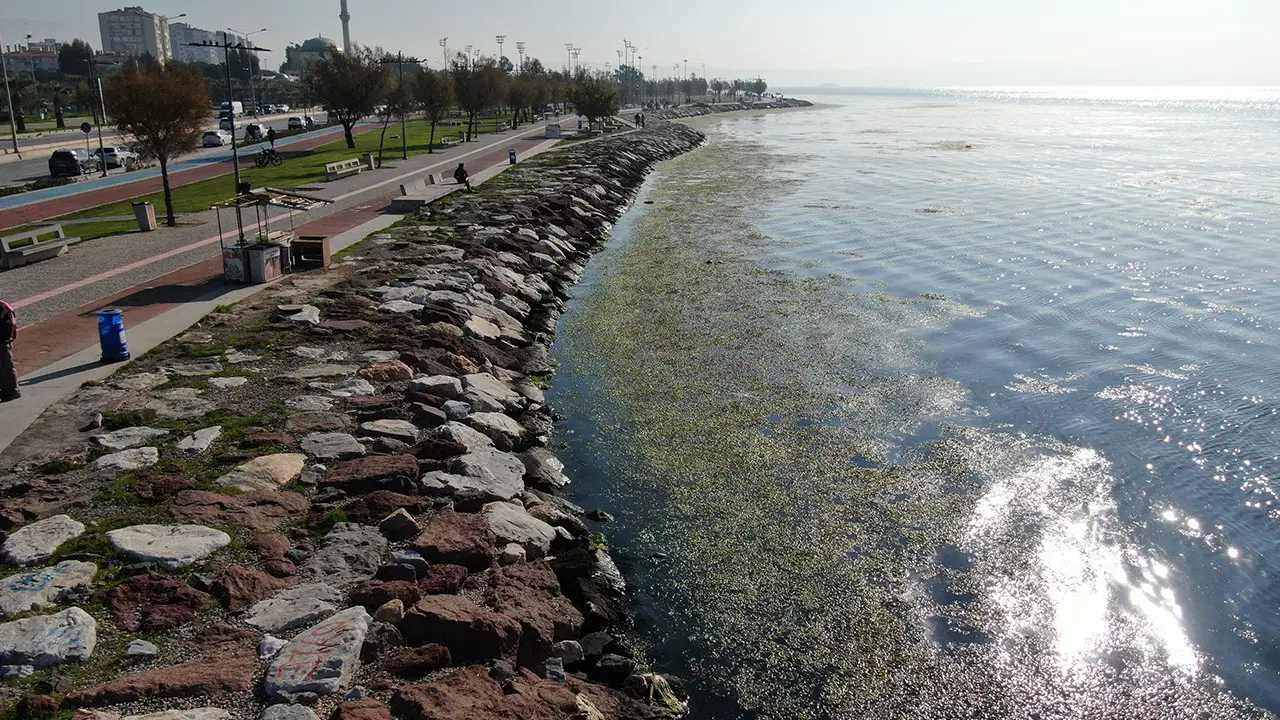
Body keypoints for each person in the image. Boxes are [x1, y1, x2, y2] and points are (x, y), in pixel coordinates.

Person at [0, 299, 18, 402]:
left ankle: (12, 391)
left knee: (6, 365)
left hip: (2, 341)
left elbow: (11, 323)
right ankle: (5, 388)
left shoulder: (3, 307)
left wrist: (6, 339)